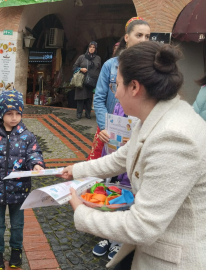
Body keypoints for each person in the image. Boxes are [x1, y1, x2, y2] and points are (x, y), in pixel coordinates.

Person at [62, 41, 206, 270]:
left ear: (134, 87)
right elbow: (121, 157)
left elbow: (143, 226)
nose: (115, 93)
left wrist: (82, 214)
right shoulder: (156, 116)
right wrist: (77, 170)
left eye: (117, 85)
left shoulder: (175, 138)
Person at [86, 17, 150, 259]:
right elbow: (99, 97)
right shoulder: (111, 65)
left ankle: (119, 239)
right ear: (127, 37)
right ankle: (105, 233)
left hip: (137, 134)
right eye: (139, 35)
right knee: (108, 179)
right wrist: (105, 126)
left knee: (129, 183)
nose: (144, 40)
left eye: (147, 36)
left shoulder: (149, 68)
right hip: (111, 133)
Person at [0, 90, 45, 270]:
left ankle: (16, 249)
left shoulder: (27, 136)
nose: (14, 118)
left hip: (19, 190)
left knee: (17, 224)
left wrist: (36, 164)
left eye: (17, 113)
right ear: (1, 113)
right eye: (9, 113)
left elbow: (34, 154)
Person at [73, 41, 101, 119]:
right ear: (88, 48)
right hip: (82, 81)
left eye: (93, 47)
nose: (91, 49)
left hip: (92, 81)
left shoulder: (98, 58)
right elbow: (74, 67)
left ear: (95, 49)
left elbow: (99, 69)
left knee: (89, 98)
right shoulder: (82, 57)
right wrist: (80, 69)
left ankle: (88, 113)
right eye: (90, 47)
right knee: (81, 98)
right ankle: (79, 113)